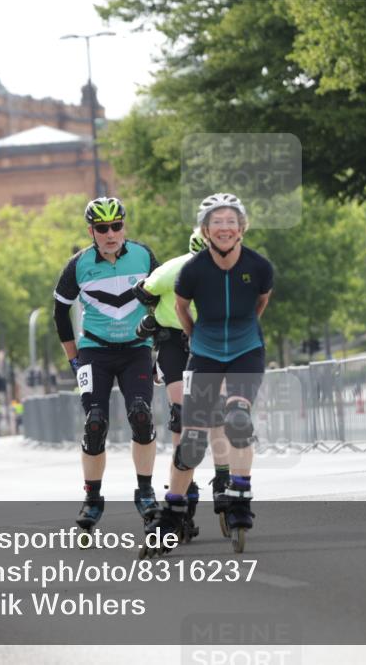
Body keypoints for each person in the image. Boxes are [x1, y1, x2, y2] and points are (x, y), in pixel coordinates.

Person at [142, 193, 273, 556]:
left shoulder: (258, 267)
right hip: (204, 354)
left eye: (231, 222)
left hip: (244, 353)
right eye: (216, 223)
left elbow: (260, 303)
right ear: (205, 230)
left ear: (242, 228)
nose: (225, 229)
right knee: (193, 440)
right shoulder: (191, 271)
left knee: (237, 417)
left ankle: (239, 496)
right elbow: (181, 307)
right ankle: (173, 510)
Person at [52, 196, 161, 535]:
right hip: (94, 352)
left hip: (136, 349)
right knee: (95, 422)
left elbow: (163, 303)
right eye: (102, 228)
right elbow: (60, 313)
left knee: (141, 415)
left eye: (117, 226)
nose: (111, 234)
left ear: (124, 226)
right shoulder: (78, 265)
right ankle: (93, 498)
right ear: (92, 231)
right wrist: (73, 358)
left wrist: (161, 349)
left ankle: (145, 492)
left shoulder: (144, 257)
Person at [131, 228, 218, 537]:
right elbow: (143, 290)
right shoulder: (174, 269)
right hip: (173, 342)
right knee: (182, 416)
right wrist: (153, 317)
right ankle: (185, 493)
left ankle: (214, 479)